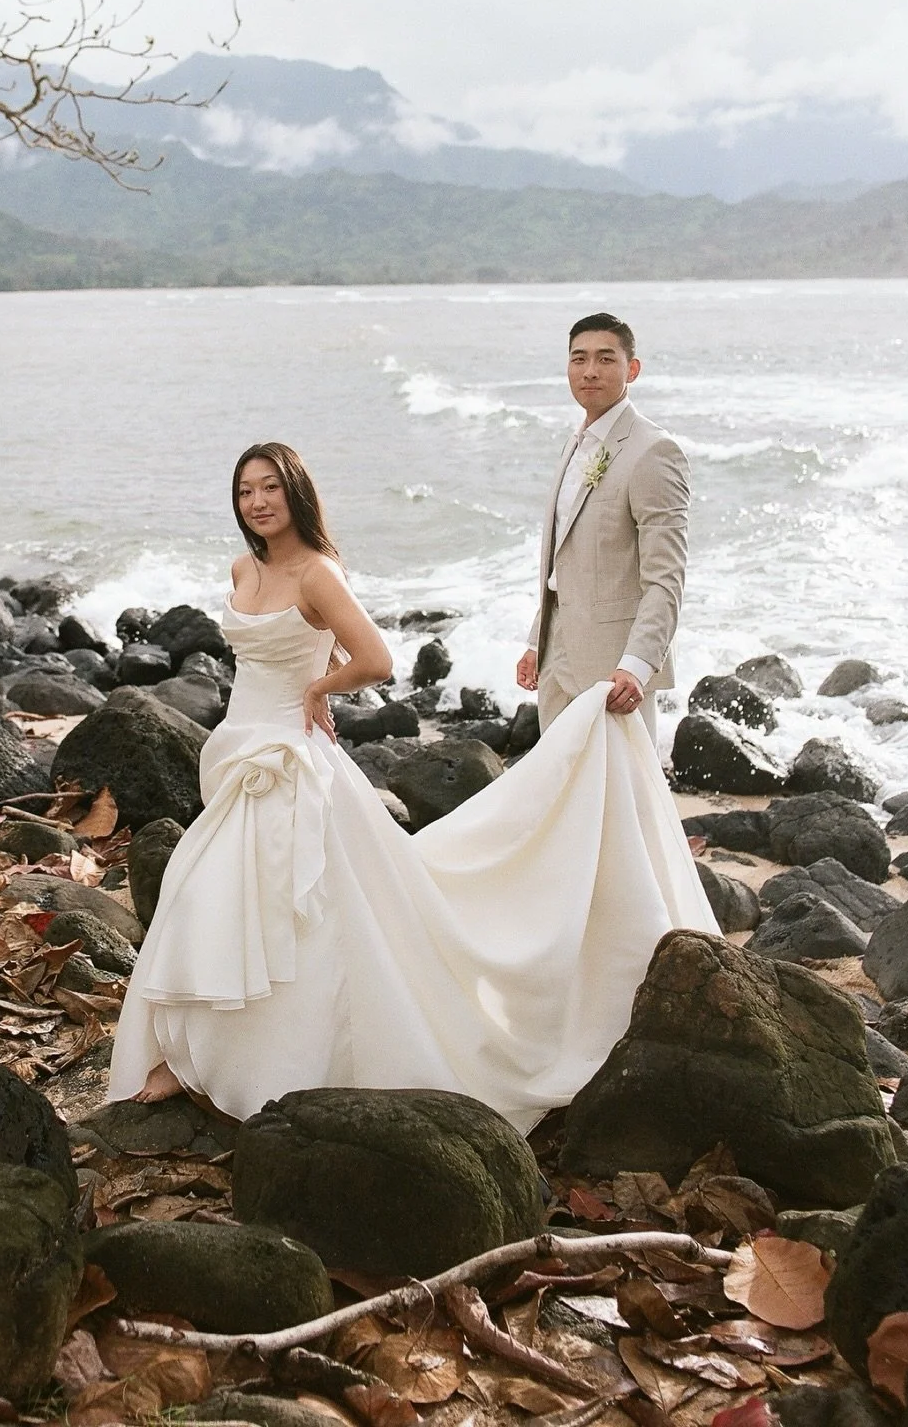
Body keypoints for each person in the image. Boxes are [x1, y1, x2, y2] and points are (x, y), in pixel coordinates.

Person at [107, 440, 716, 1132]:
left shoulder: (316, 572)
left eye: (271, 487)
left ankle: (275, 1069)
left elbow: (375, 657)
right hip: (240, 740)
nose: (258, 501)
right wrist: (318, 664)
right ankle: (200, 1058)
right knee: (214, 894)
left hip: (290, 758)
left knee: (293, 912)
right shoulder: (243, 567)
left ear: (295, 492)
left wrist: (322, 686)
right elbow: (303, 643)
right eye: (246, 490)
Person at [517, 312, 689, 743]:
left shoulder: (654, 451)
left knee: (617, 801)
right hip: (557, 661)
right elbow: (566, 558)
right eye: (579, 359)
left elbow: (665, 578)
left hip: (614, 673)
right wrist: (538, 641)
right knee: (562, 793)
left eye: (605, 359)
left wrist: (637, 664)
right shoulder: (574, 444)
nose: (590, 370)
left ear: (632, 369)